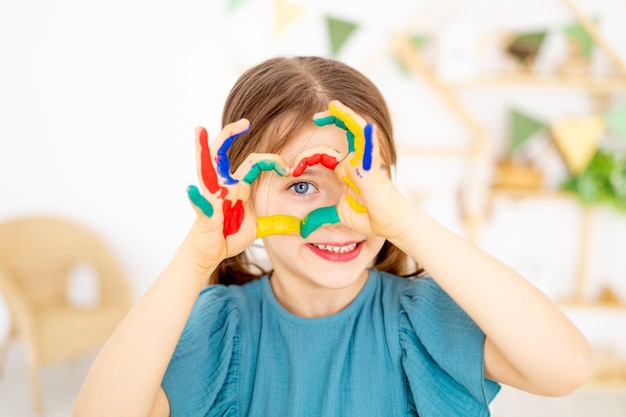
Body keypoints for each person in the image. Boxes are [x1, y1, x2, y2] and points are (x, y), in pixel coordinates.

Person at [72, 56, 591, 417]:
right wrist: (192, 259)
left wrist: (405, 223)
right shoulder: (220, 329)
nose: (338, 215)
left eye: (361, 180)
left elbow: (566, 368)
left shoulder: (422, 317)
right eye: (302, 184)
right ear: (246, 195)